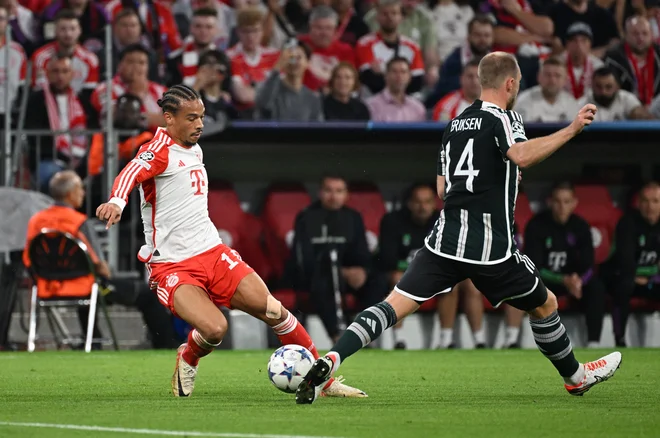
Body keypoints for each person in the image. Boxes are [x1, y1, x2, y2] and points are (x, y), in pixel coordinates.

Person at [295, 52, 621, 405]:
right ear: (510, 83)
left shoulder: (454, 124)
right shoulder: (505, 117)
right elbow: (522, 156)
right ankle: (575, 377)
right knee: (545, 304)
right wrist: (572, 129)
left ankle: (331, 358)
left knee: (391, 306)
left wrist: (498, 176)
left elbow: (442, 189)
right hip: (490, 249)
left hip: (444, 242)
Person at [96, 84, 364, 398]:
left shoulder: (194, 147)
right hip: (172, 265)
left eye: (202, 117)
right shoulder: (157, 151)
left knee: (274, 310)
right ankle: (188, 356)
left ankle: (324, 381)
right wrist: (116, 201)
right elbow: (130, 172)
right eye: (191, 118)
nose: (199, 124)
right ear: (168, 119)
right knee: (214, 329)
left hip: (213, 252)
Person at [24, 171, 179, 349]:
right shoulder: (78, 222)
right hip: (86, 287)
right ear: (70, 194)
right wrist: (105, 272)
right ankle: (166, 344)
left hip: (46, 287)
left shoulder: (35, 221)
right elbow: (99, 266)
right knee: (146, 294)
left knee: (92, 285)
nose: (83, 193)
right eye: (80, 189)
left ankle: (93, 340)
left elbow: (28, 261)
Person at [287, 175, 383, 343]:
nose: (333, 196)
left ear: (346, 195)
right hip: (317, 277)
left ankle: (366, 334)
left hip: (348, 276)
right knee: (323, 282)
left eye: (339, 191)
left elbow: (362, 252)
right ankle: (338, 338)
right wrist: (338, 271)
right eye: (328, 191)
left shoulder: (353, 217)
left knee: (376, 281)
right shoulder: (306, 217)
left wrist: (362, 270)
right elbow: (303, 259)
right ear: (320, 193)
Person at [524, 182, 606, 347]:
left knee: (596, 287)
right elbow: (534, 266)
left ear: (574, 203)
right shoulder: (536, 225)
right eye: (557, 201)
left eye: (567, 201)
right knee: (526, 285)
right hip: (545, 280)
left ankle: (593, 342)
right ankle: (524, 342)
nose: (562, 207)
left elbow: (589, 265)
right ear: (549, 202)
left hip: (574, 283)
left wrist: (579, 281)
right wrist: (563, 280)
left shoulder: (580, 226)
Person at [606, 182, 660, 347]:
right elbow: (626, 262)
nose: (649, 206)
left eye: (655, 201)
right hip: (623, 277)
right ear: (639, 203)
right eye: (645, 201)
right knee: (624, 285)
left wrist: (650, 278)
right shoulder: (628, 223)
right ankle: (620, 340)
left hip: (650, 281)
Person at [254, 39, 324, 121]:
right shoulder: (271, 89)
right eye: (290, 58)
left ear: (307, 62)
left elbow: (318, 127)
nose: (293, 62)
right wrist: (276, 70)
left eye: (298, 57)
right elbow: (262, 104)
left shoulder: (313, 99)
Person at [514, 57, 579, 123]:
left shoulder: (571, 103)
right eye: (548, 75)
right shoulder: (524, 101)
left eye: (557, 76)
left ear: (565, 80)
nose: (552, 80)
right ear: (539, 77)